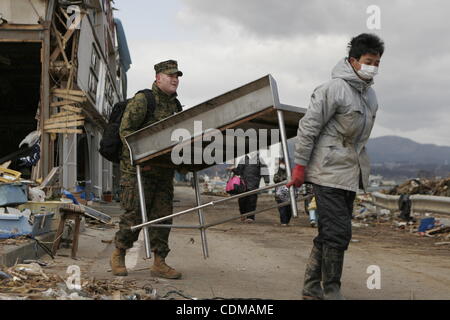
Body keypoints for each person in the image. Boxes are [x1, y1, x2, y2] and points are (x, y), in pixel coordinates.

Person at [287, 33, 384, 300]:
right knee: (338, 233)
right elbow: (308, 129)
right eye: (368, 61)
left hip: (349, 174)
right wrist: (299, 167)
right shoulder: (332, 89)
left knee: (330, 233)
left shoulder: (370, 96)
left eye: (376, 62)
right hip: (326, 171)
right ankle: (331, 290)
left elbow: (359, 141)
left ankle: (311, 289)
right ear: (353, 61)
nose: (372, 67)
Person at [110, 60, 184, 279]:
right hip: (138, 172)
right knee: (134, 215)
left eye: (177, 76)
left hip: (163, 172)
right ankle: (118, 254)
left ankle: (159, 262)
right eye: (170, 75)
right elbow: (126, 132)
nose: (175, 79)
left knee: (162, 217)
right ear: (158, 78)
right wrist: (141, 159)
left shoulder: (175, 106)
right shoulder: (144, 100)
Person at [232, 151, 269, 223]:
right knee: (242, 200)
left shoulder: (259, 160)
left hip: (254, 184)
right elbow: (238, 171)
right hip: (243, 185)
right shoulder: (244, 159)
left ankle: (250, 217)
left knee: (252, 201)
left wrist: (266, 181)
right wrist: (233, 169)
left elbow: (264, 170)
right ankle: (243, 214)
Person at [273, 158, 293, 226]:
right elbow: (275, 179)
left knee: (289, 208)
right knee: (282, 208)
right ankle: (283, 222)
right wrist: (283, 179)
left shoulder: (291, 170)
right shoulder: (278, 171)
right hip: (280, 193)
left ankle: (287, 221)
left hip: (289, 193)